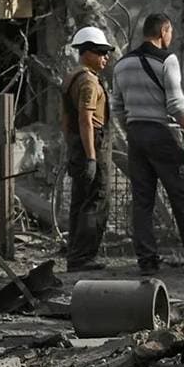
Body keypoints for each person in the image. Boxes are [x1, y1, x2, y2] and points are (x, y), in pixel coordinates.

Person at [109, 13, 184, 274]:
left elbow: (117, 106)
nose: (172, 37)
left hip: (135, 133)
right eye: (170, 32)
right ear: (163, 31)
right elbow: (177, 103)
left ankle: (147, 261)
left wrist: (132, 128)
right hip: (162, 134)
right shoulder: (167, 60)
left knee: (142, 201)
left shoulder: (122, 64)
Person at [62, 27, 115, 271]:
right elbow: (85, 119)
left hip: (79, 144)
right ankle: (84, 256)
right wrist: (92, 158)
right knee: (96, 199)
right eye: (102, 52)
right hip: (91, 144)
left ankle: (75, 255)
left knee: (80, 201)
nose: (106, 57)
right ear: (88, 53)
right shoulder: (88, 82)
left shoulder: (73, 76)